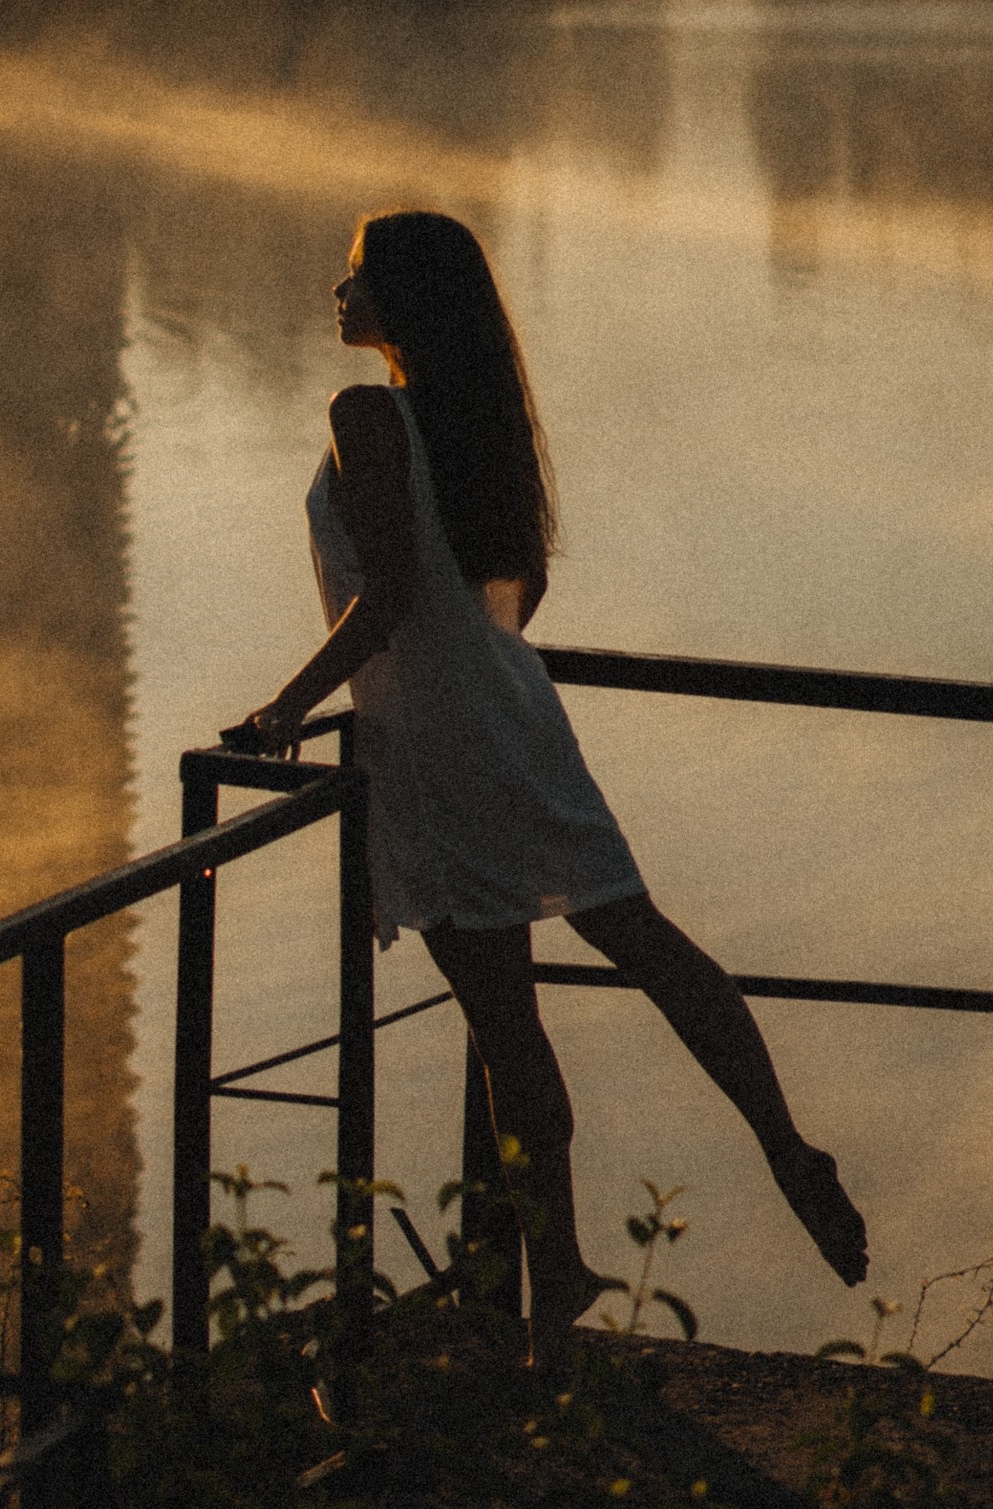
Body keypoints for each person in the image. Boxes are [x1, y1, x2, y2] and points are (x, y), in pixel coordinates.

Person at [233, 209, 866, 1365]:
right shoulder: (477, 421)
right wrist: (474, 668)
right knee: (643, 937)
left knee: (504, 1024)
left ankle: (560, 1270)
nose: (338, 289)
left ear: (406, 301)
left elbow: (385, 602)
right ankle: (781, 1143)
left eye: (360, 274)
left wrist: (284, 710)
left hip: (433, 746)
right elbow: (509, 593)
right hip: (513, 715)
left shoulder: (366, 414)